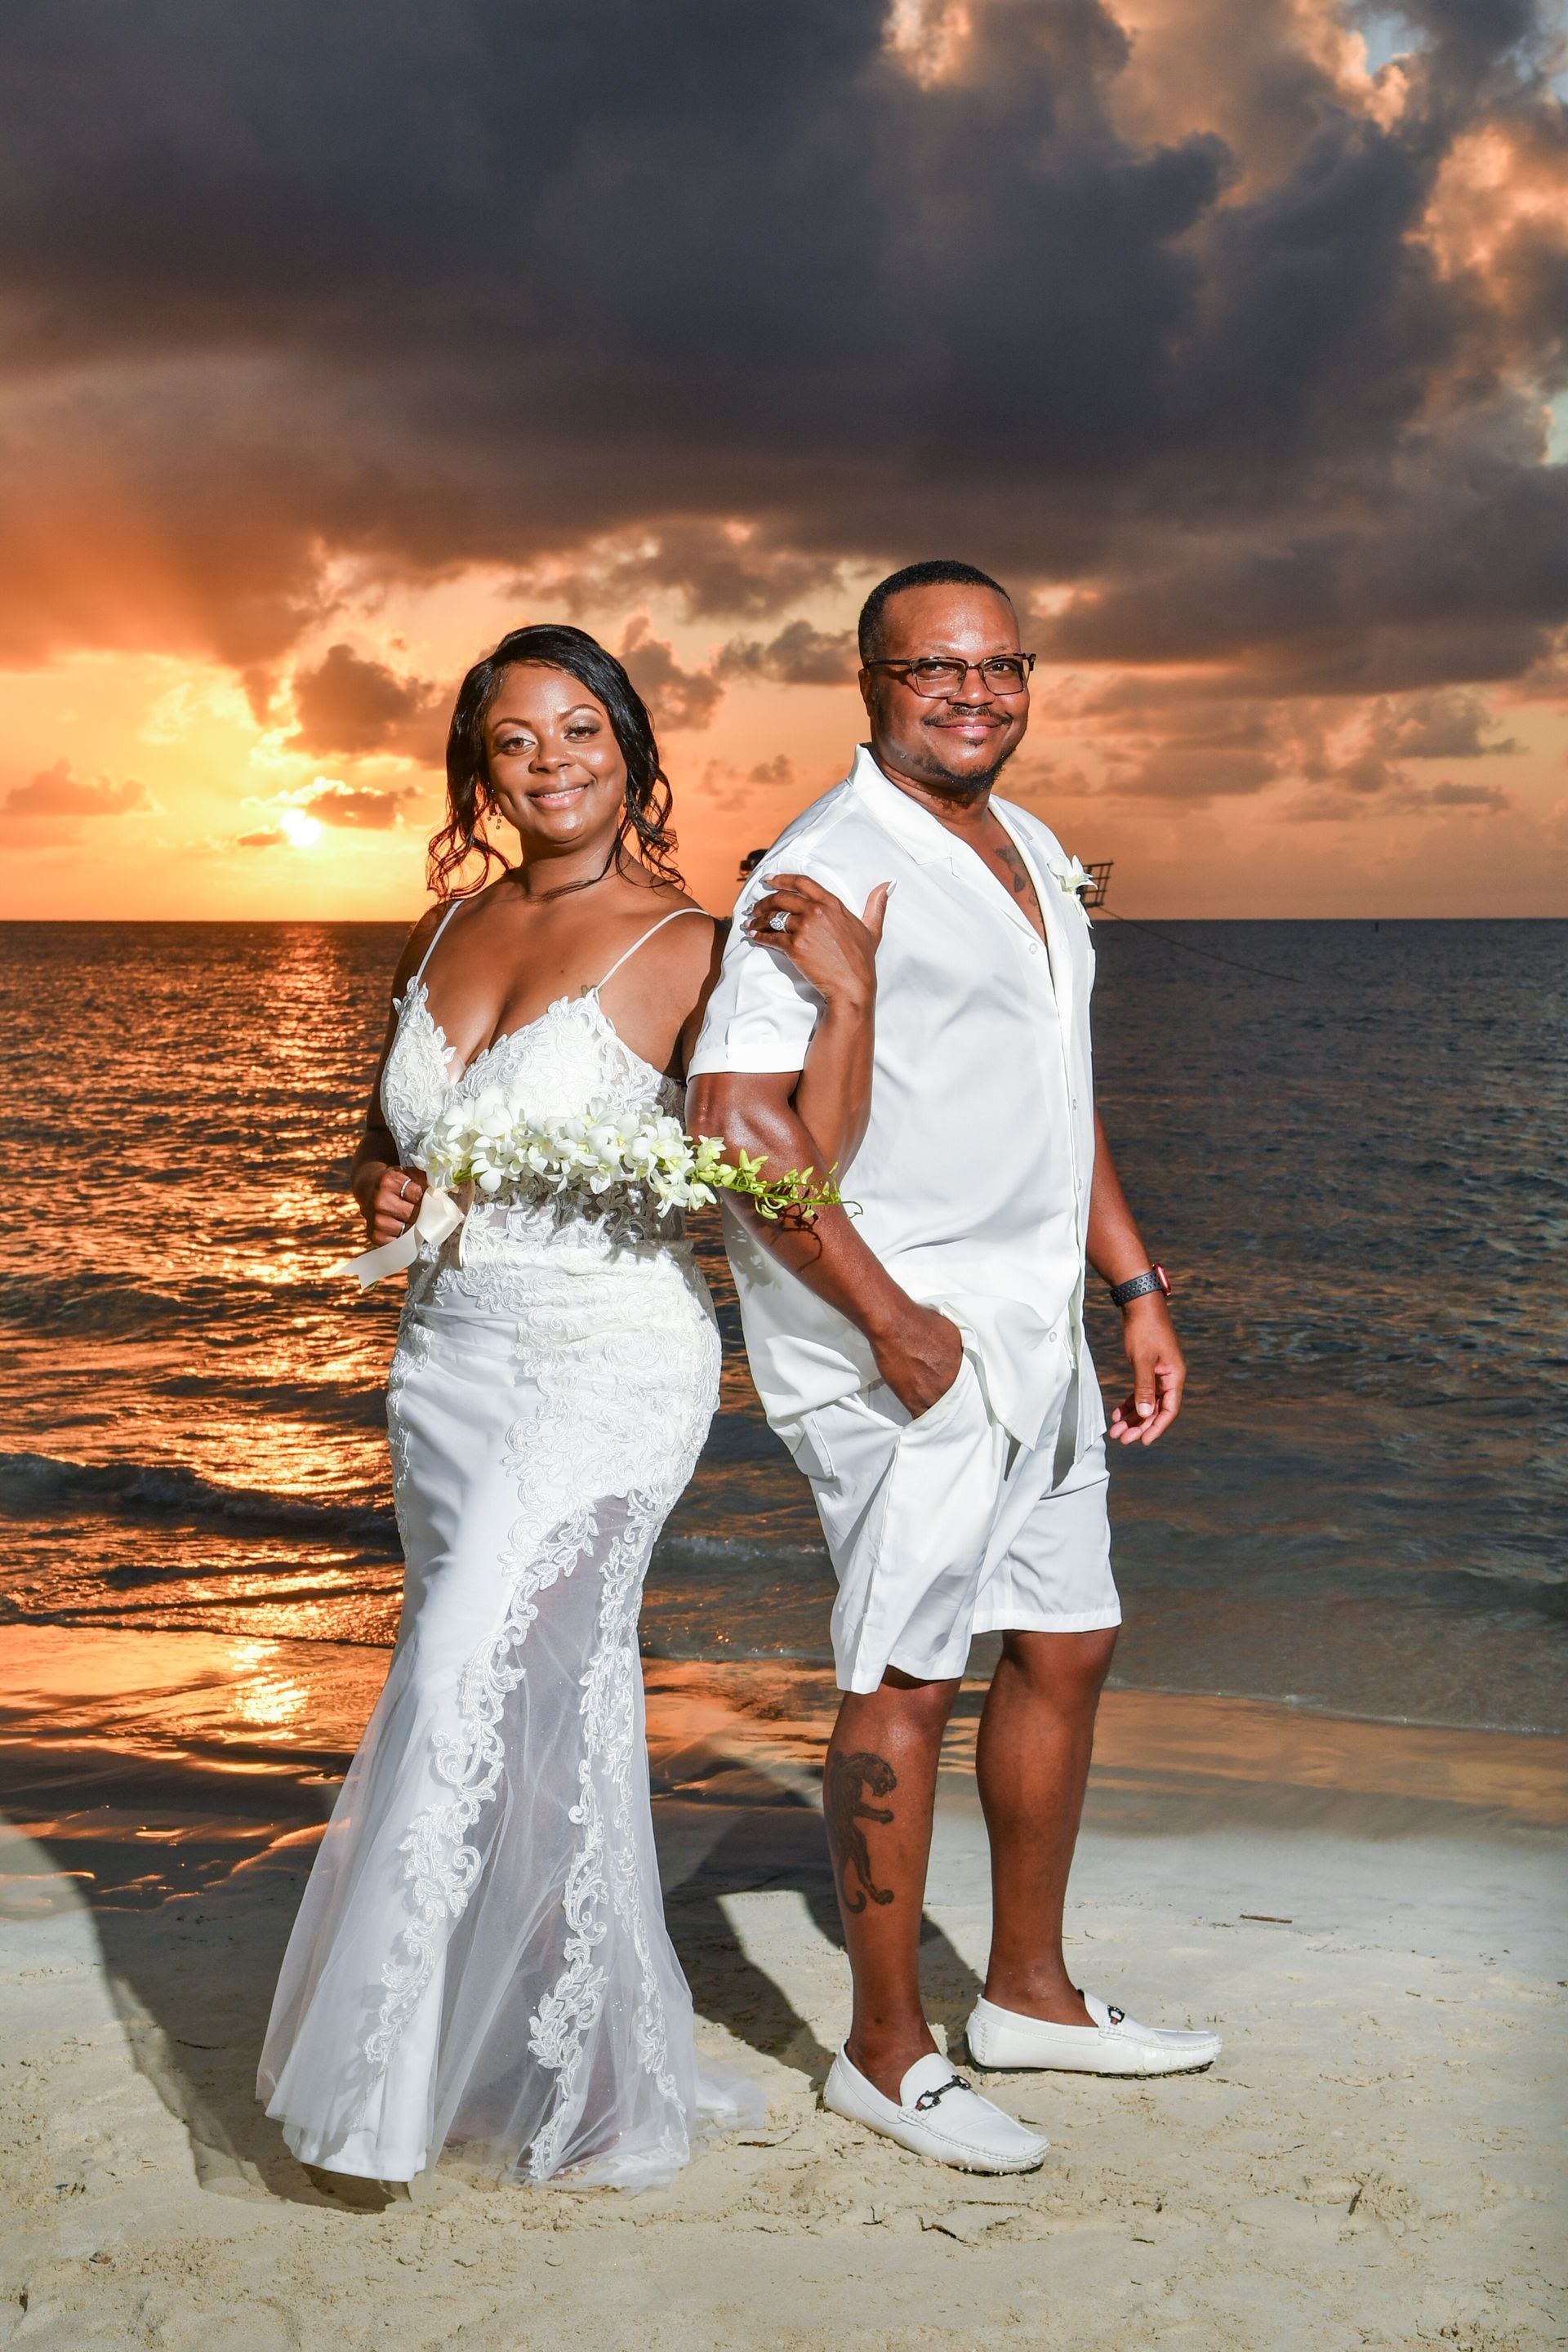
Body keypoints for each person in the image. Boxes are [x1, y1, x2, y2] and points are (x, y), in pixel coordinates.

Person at [258, 624, 882, 2191]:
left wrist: (850, 1005)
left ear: (632, 745)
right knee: (537, 1712)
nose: (550, 762)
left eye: (580, 730)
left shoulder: (691, 941)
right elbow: (380, 1136)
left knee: (471, 1674)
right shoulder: (444, 929)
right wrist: (380, 1176)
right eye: (516, 739)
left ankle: (381, 2099)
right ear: (481, 767)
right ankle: (579, 2064)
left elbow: (791, 1169)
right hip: (444, 1368)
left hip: (606, 1366)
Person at [688, 560, 1221, 2176]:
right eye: (937, 667)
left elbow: (1057, 1095)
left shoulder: (1031, 844)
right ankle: (883, 2048)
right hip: (901, 1343)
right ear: (870, 679)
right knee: (906, 1677)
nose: (974, 692)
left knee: (1066, 1640)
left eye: (1001, 665)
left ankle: (1032, 1997)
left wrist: (1128, 1282)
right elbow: (733, 1125)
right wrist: (889, 1319)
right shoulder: (827, 862)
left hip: (1030, 1327)